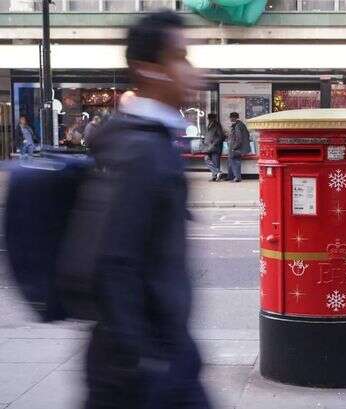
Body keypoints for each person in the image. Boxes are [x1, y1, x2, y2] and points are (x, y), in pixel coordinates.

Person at [85, 11, 210, 409]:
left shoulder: (149, 142)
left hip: (160, 351)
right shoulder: (142, 151)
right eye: (180, 57)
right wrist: (145, 361)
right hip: (144, 365)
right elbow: (113, 261)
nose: (191, 71)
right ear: (148, 69)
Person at [226, 111, 251, 182]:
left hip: (236, 148)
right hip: (238, 147)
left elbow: (239, 139)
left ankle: (237, 177)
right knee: (232, 161)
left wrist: (234, 147)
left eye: (230, 117)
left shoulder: (237, 126)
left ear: (233, 118)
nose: (230, 119)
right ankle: (231, 176)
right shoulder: (240, 124)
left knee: (235, 162)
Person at [204, 113, 225, 182]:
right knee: (207, 159)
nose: (208, 119)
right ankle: (217, 172)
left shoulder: (217, 125)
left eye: (209, 118)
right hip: (208, 147)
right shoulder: (209, 125)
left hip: (215, 147)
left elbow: (220, 136)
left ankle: (215, 177)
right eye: (208, 118)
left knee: (215, 162)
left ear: (213, 118)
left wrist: (213, 144)